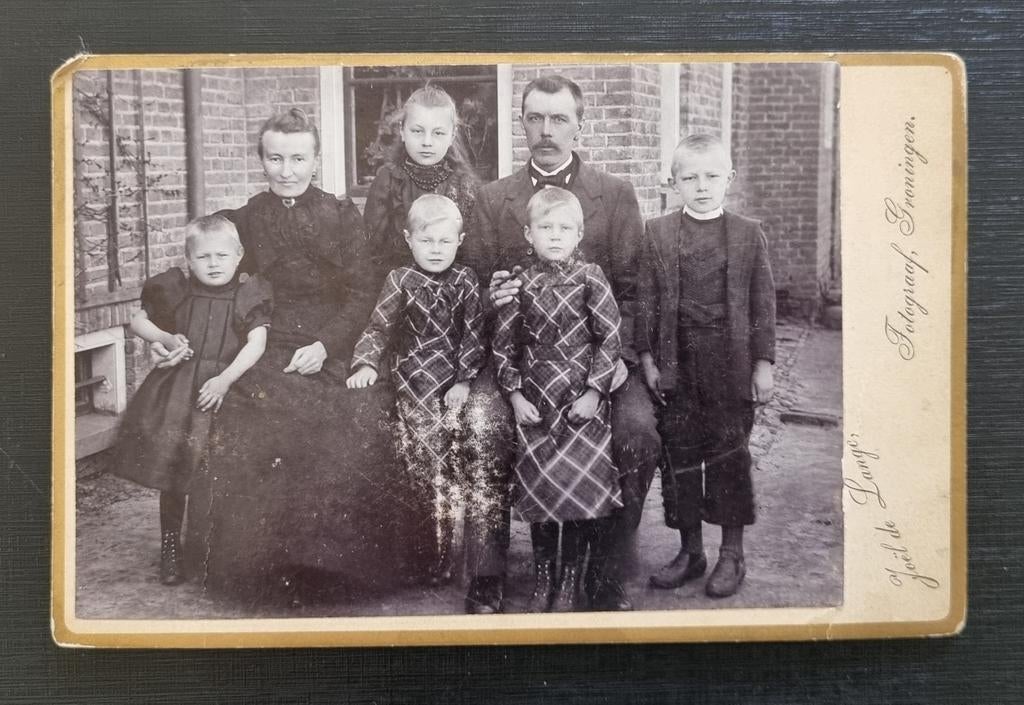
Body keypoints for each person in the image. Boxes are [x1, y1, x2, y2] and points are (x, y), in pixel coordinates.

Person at [174, 109, 410, 606]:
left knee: (351, 418)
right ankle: (262, 567)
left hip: (332, 342)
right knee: (251, 414)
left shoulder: (341, 215)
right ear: (261, 160)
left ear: (316, 159)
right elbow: (199, 273)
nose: (287, 170)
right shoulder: (245, 218)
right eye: (276, 158)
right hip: (267, 339)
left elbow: (363, 292)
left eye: (298, 158)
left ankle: (332, 568)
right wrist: (161, 327)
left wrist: (326, 344)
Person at [460, 74, 660, 613]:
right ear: (521, 122)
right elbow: (472, 282)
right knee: (484, 423)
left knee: (638, 433)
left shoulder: (614, 195)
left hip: (597, 356)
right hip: (518, 356)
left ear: (579, 125)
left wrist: (618, 362)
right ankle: (487, 575)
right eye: (534, 118)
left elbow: (635, 289)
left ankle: (605, 573)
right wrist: (492, 295)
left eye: (559, 119)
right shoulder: (492, 197)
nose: (546, 131)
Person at [637, 134, 776, 598]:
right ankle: (690, 550)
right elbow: (648, 301)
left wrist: (763, 363)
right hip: (678, 365)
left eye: (712, 176)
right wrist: (647, 358)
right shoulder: (657, 233)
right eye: (690, 177)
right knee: (680, 459)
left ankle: (731, 555)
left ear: (728, 179)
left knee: (729, 457)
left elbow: (762, 304)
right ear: (673, 182)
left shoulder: (746, 232)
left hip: (730, 366)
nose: (702, 186)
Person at [111, 215, 270, 586]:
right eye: (203, 257)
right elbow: (138, 322)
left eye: (221, 255)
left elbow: (256, 343)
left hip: (225, 389)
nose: (213, 264)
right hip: (181, 393)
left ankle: (216, 548)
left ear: (239, 256)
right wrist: (165, 339)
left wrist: (225, 379)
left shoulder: (249, 293)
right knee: (175, 469)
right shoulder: (177, 291)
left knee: (223, 471)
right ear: (188, 259)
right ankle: (171, 544)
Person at [492, 188, 623, 613]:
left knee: (578, 491)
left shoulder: (591, 277)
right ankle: (544, 577)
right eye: (545, 228)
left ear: (579, 233)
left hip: (579, 402)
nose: (554, 236)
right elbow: (504, 345)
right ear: (528, 234)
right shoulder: (520, 282)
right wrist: (513, 395)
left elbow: (610, 340)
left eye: (564, 228)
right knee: (543, 491)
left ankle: (569, 579)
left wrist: (593, 392)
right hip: (537, 399)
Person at [347, 194, 485, 586]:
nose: (436, 250)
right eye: (427, 242)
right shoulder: (399, 279)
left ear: (460, 240)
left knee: (453, 463)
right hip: (411, 377)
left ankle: (451, 555)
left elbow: (474, 334)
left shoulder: (466, 280)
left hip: (452, 378)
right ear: (409, 239)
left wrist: (463, 379)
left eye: (445, 242)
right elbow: (379, 326)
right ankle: (415, 553)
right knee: (415, 461)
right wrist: (366, 363)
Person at [363, 85, 478, 277]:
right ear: (402, 131)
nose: (427, 142)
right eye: (417, 131)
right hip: (398, 284)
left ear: (452, 135)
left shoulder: (463, 184)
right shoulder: (388, 179)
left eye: (438, 133)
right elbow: (372, 249)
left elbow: (472, 252)